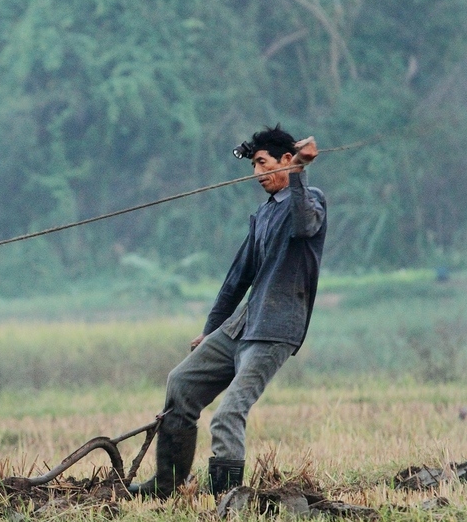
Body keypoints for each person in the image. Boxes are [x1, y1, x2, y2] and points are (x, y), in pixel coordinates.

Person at [133, 125, 326, 499]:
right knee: (181, 383)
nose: (256, 174)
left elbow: (305, 225)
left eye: (262, 163)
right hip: (243, 323)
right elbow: (236, 280)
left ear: (287, 160)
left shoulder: (310, 199)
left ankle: (227, 500)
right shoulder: (264, 214)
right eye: (253, 165)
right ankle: (166, 484)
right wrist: (209, 332)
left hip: (275, 329)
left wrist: (302, 173)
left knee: (228, 414)